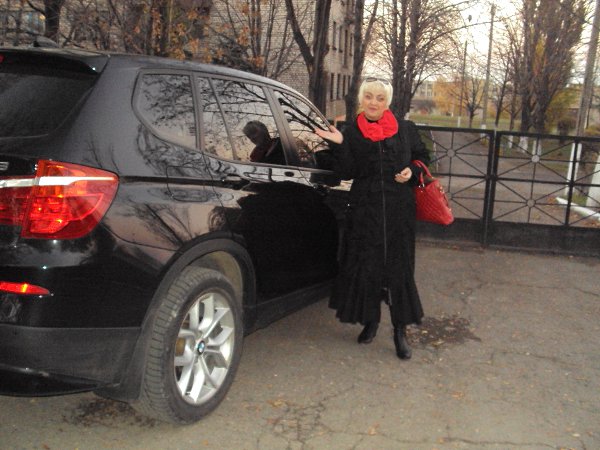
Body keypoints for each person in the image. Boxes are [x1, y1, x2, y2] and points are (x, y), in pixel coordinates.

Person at [315, 77, 430, 360]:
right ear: (361, 99)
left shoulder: (405, 129)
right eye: (368, 96)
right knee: (367, 267)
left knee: (398, 269)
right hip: (365, 210)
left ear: (387, 102)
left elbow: (422, 157)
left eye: (379, 98)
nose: (374, 103)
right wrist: (340, 144)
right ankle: (371, 321)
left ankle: (400, 331)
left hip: (398, 210)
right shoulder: (353, 131)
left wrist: (411, 172)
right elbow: (346, 172)